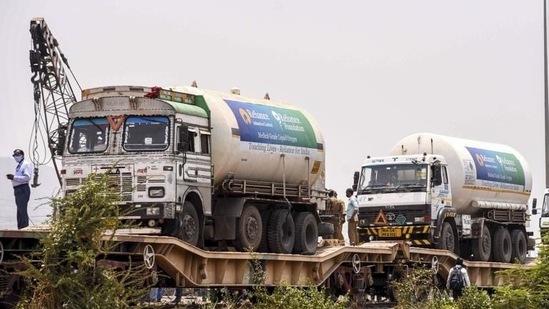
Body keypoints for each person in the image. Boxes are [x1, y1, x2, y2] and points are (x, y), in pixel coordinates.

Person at [6, 149, 32, 229]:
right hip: (17, 189)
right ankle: (20, 226)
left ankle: (24, 226)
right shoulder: (18, 166)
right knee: (19, 209)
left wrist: (14, 177)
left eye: (17, 155)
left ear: (22, 155)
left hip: (23, 188)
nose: (15, 157)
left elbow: (27, 178)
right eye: (14, 156)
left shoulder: (26, 164)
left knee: (22, 209)